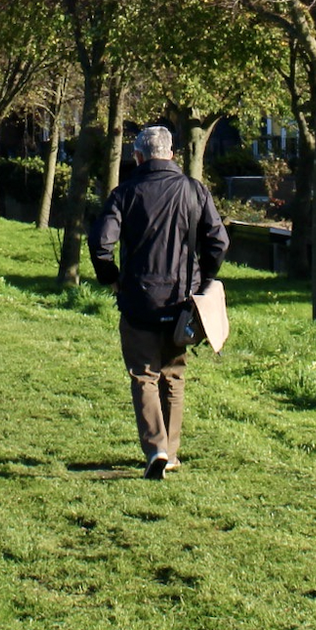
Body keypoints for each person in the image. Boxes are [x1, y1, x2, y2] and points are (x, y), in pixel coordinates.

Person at [90, 124, 229, 480]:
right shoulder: (195, 191)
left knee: (144, 376)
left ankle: (156, 449)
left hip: (138, 300)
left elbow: (100, 243)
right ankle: (172, 451)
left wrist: (112, 278)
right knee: (174, 375)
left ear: (138, 156)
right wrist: (205, 280)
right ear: (171, 154)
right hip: (183, 300)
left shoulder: (125, 193)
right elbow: (218, 242)